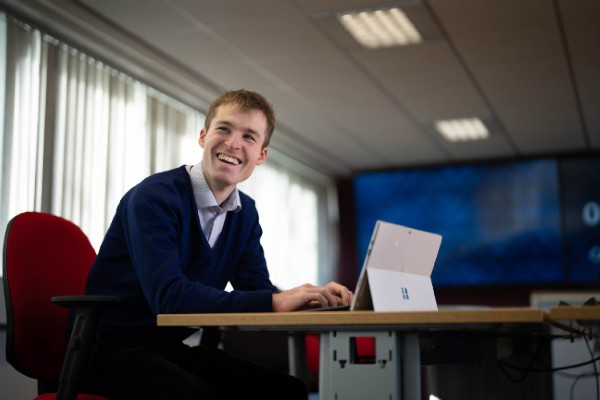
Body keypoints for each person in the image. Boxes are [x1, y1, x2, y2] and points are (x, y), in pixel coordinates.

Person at [82, 89, 353, 399]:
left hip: (167, 349)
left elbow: (255, 291)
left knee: (287, 391)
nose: (233, 143)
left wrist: (311, 298)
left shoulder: (245, 213)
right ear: (203, 136)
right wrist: (276, 301)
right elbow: (169, 299)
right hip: (108, 350)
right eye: (224, 129)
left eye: (249, 137)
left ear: (261, 155)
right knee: (195, 394)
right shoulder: (154, 197)